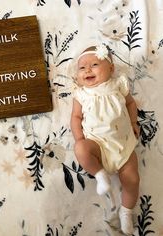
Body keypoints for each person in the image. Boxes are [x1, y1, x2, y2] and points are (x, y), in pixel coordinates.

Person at [70, 44, 140, 235]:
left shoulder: (118, 85)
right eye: (82, 68)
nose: (88, 70)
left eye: (94, 64)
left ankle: (126, 212)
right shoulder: (81, 94)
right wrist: (79, 139)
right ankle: (101, 175)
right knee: (80, 150)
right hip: (97, 145)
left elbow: (131, 103)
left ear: (111, 68)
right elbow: (76, 118)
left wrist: (134, 122)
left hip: (122, 144)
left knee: (132, 179)